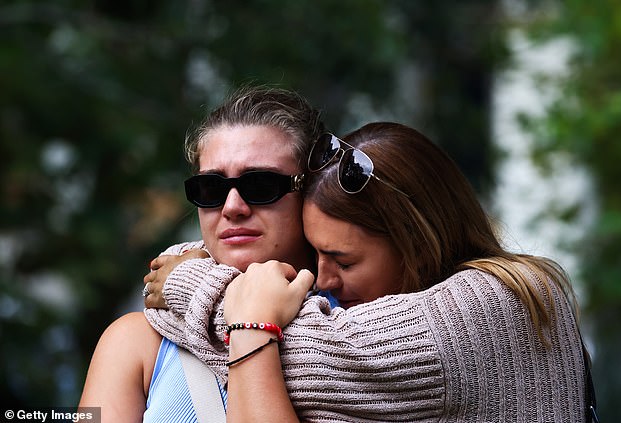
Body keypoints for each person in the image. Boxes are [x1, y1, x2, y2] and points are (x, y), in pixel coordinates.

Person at [147, 123, 590, 422]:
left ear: (415, 243)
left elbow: (291, 351)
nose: (323, 280)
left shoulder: (494, 303)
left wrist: (188, 280)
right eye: (317, 255)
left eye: (343, 261)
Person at [78, 85, 324, 422]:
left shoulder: (364, 325)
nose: (232, 207)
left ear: (312, 190)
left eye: (261, 186)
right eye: (210, 188)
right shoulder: (136, 343)